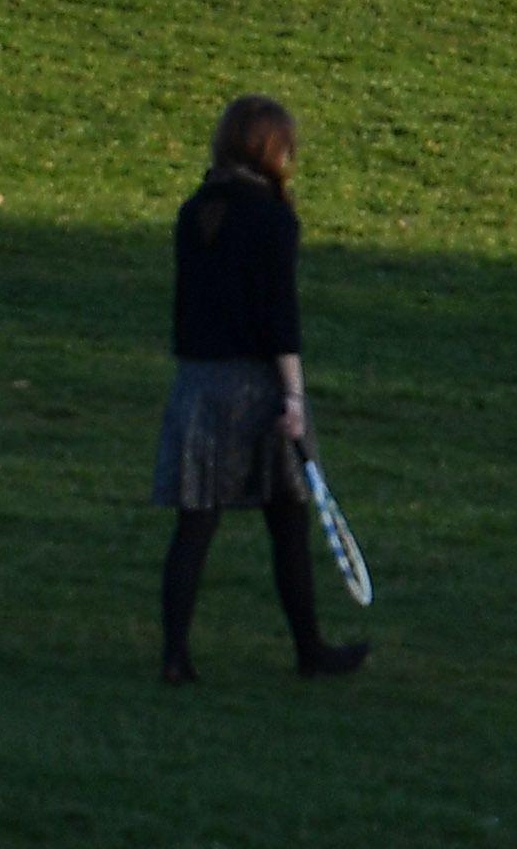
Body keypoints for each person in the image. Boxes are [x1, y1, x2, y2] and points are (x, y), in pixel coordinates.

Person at [153, 94, 368, 685]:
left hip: (197, 384)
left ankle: (175, 655)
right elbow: (280, 318)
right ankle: (310, 650)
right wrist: (294, 398)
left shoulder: (194, 211)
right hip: (255, 386)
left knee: (195, 526)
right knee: (289, 520)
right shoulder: (274, 220)